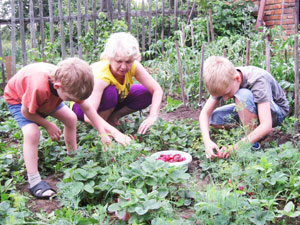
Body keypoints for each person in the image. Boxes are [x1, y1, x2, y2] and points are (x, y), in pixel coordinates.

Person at [4, 58, 130, 199]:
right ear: (58, 86)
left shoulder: (70, 84)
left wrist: (103, 132)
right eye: (70, 99)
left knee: (71, 118)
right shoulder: (38, 87)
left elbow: (88, 108)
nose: (72, 101)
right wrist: (48, 125)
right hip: (19, 100)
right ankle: (34, 181)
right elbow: (26, 112)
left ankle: (73, 157)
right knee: (32, 133)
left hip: (49, 98)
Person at [72, 32, 163, 135]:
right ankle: (102, 130)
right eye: (119, 61)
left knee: (145, 93)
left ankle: (113, 117)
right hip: (82, 108)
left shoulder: (134, 66)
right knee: (110, 92)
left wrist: (153, 116)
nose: (124, 67)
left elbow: (156, 89)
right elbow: (88, 116)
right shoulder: (100, 76)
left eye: (128, 62)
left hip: (112, 100)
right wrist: (116, 134)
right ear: (110, 58)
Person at [199, 56, 289, 159]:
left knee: (242, 95)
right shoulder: (222, 79)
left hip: (276, 112)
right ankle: (253, 132)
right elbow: (205, 114)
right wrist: (207, 142)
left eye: (226, 93)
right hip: (252, 108)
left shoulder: (258, 80)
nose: (224, 98)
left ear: (237, 78)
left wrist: (236, 147)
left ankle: (254, 144)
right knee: (214, 118)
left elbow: (267, 124)